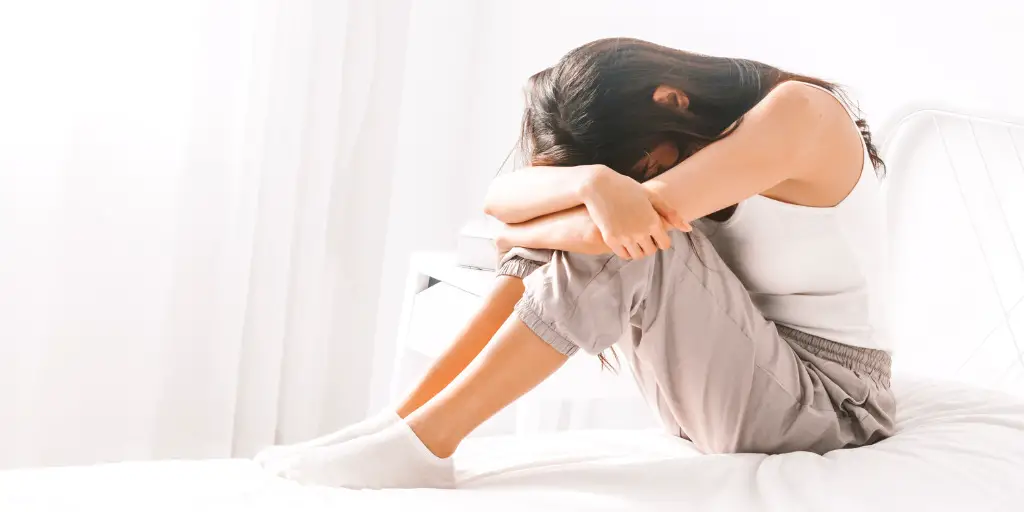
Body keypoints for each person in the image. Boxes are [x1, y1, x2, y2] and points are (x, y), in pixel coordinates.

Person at [255, 37, 895, 490]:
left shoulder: (798, 114)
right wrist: (590, 182)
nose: (642, 177)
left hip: (831, 406)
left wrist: (550, 220)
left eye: (640, 168)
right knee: (605, 230)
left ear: (670, 99)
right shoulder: (683, 128)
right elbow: (499, 198)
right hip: (749, 378)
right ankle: (403, 426)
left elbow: (634, 222)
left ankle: (423, 443)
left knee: (632, 240)